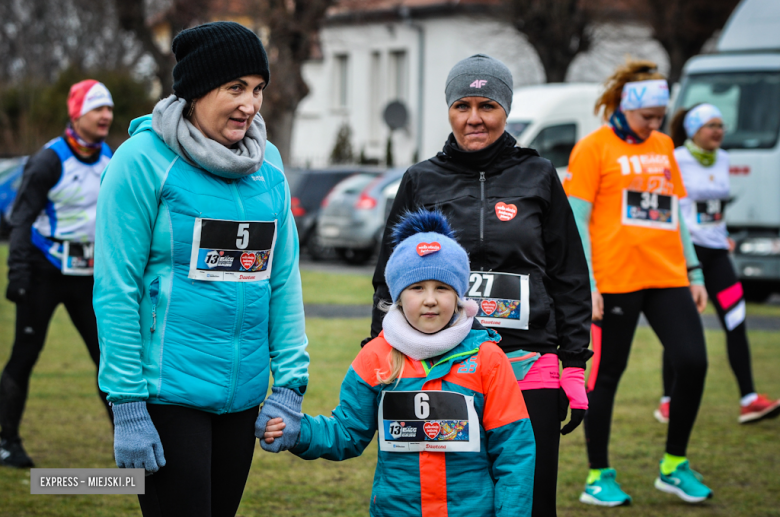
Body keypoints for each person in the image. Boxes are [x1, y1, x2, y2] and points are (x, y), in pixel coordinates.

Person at [92, 21, 309, 517]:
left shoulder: (269, 164)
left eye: (257, 90)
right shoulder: (141, 161)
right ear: (194, 90)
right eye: (235, 88)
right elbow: (116, 289)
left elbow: (283, 279)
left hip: (244, 398)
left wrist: (290, 386)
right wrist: (126, 406)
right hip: (167, 398)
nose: (250, 105)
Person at [366, 54, 592, 517]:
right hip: (446, 365)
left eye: (487, 106)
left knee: (528, 500)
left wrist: (573, 362)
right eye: (462, 105)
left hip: (531, 362)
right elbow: (390, 278)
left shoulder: (540, 175)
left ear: (505, 111)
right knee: (458, 502)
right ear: (448, 110)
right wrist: (379, 355)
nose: (474, 118)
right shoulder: (420, 179)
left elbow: (569, 275)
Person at [262, 209, 536, 517]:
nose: (430, 299)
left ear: (460, 297)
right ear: (398, 297)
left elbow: (514, 450)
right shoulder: (375, 358)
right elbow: (347, 434)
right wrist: (299, 431)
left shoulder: (487, 359)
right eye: (417, 288)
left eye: (442, 288)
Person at [565, 60, 713, 506]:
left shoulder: (665, 145)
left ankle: (673, 465)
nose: (654, 124)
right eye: (647, 116)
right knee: (607, 375)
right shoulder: (593, 148)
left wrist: (695, 271)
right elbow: (577, 219)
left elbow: (676, 215)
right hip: (614, 280)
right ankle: (597, 475)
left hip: (667, 275)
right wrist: (587, 282)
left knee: (693, 362)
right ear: (625, 107)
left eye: (659, 116)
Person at [0, 80, 114, 468]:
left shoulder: (109, 158)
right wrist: (17, 274)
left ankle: (128, 440)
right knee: (25, 355)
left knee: (107, 357)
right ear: (76, 114)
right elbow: (21, 219)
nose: (106, 116)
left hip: (88, 275)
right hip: (43, 269)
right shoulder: (49, 159)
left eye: (109, 109)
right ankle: (6, 442)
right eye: (98, 109)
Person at [654, 103, 780, 424]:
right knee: (681, 328)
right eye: (711, 125)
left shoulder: (723, 159)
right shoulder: (676, 157)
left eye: (721, 125)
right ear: (694, 129)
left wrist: (723, 234)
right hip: (687, 254)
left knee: (736, 319)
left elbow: (716, 206)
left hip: (717, 254)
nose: (718, 131)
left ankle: (749, 399)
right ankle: (668, 401)